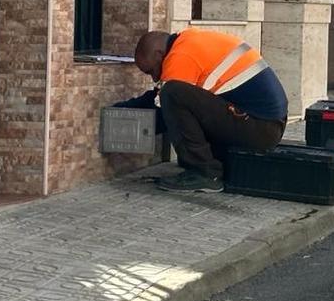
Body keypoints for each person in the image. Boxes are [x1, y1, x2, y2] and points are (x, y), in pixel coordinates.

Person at [115, 28, 288, 193]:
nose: (154, 77)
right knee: (174, 95)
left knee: (172, 93)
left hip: (260, 127)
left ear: (159, 54)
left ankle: (204, 173)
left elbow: (163, 109)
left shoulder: (180, 57)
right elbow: (160, 100)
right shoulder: (189, 41)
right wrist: (121, 109)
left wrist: (119, 120)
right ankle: (206, 165)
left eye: (151, 70)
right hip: (263, 124)